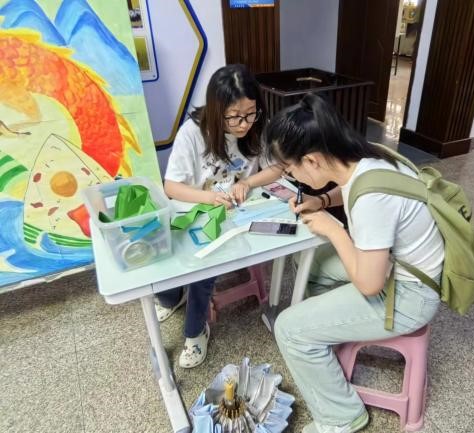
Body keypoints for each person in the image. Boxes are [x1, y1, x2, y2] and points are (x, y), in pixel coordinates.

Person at [264, 93, 444, 433]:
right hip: (406, 270)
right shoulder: (369, 158)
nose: (294, 177)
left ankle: (342, 416)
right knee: (312, 265)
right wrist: (321, 200)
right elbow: (348, 189)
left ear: (312, 160)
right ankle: (325, 338)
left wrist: (333, 229)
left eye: (291, 169)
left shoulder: (372, 199)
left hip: (410, 296)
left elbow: (370, 284)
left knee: (288, 329)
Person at [156, 64, 282, 368]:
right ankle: (174, 298)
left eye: (250, 113)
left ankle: (195, 330)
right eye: (234, 116)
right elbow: (171, 186)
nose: (244, 124)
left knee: (207, 265)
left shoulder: (258, 126)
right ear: (216, 110)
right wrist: (210, 197)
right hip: (195, 211)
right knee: (173, 274)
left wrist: (247, 182)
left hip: (236, 214)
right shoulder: (193, 133)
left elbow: (277, 168)